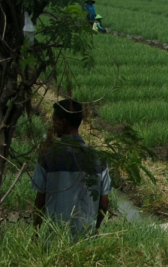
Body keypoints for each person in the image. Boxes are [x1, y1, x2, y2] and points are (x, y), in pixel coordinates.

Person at [32, 99, 111, 239]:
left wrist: (36, 233)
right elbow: (104, 204)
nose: (53, 125)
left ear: (63, 122)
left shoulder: (47, 157)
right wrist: (96, 229)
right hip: (86, 240)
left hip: (55, 239)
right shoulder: (98, 159)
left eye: (54, 120)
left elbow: (40, 201)